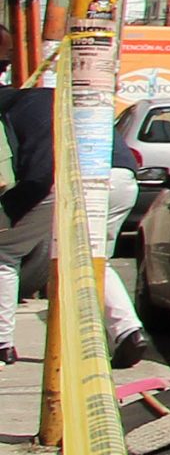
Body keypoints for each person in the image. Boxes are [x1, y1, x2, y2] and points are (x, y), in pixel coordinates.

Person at [0, 81, 148, 368]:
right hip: (120, 177)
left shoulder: (7, 111)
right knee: (91, 257)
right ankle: (128, 331)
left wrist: (12, 209)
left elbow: (9, 172)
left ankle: (2, 344)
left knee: (5, 250)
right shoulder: (49, 98)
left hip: (61, 178)